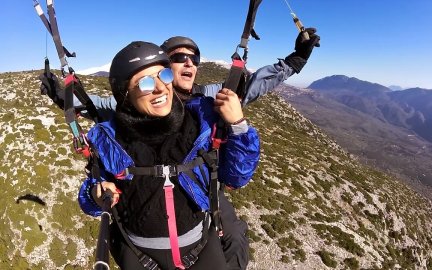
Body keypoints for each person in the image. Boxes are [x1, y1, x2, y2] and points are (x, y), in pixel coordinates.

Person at [40, 28, 319, 270]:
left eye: (193, 58)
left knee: (232, 233)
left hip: (201, 187)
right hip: (149, 205)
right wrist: (61, 94)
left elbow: (253, 84)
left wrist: (295, 61)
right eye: (177, 58)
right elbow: (96, 106)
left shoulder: (207, 99)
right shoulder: (133, 106)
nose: (188, 63)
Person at [77, 41, 260, 269]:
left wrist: (238, 125)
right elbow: (90, 197)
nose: (160, 87)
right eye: (144, 82)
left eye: (163, 75)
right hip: (138, 252)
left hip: (200, 245)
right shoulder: (110, 139)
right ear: (124, 95)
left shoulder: (199, 122)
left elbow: (236, 177)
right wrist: (96, 195)